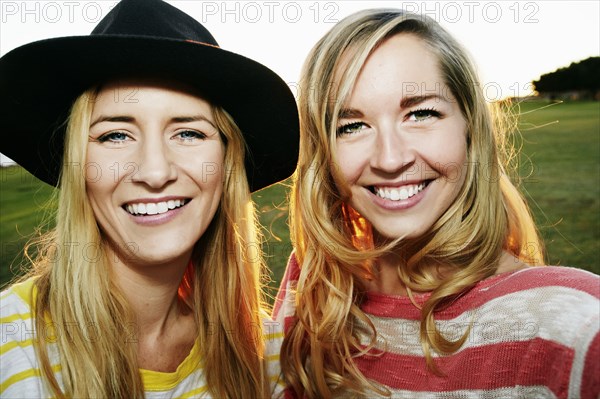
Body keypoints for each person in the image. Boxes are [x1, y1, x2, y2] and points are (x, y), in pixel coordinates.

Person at [273, 8, 599, 399]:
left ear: (470, 127)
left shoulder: (575, 323)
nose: (390, 159)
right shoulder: (314, 287)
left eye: (421, 113)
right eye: (351, 126)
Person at [0, 0, 298, 397]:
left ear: (228, 163)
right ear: (79, 166)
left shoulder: (265, 357)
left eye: (189, 133)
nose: (155, 173)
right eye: (115, 135)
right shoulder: (10, 344)